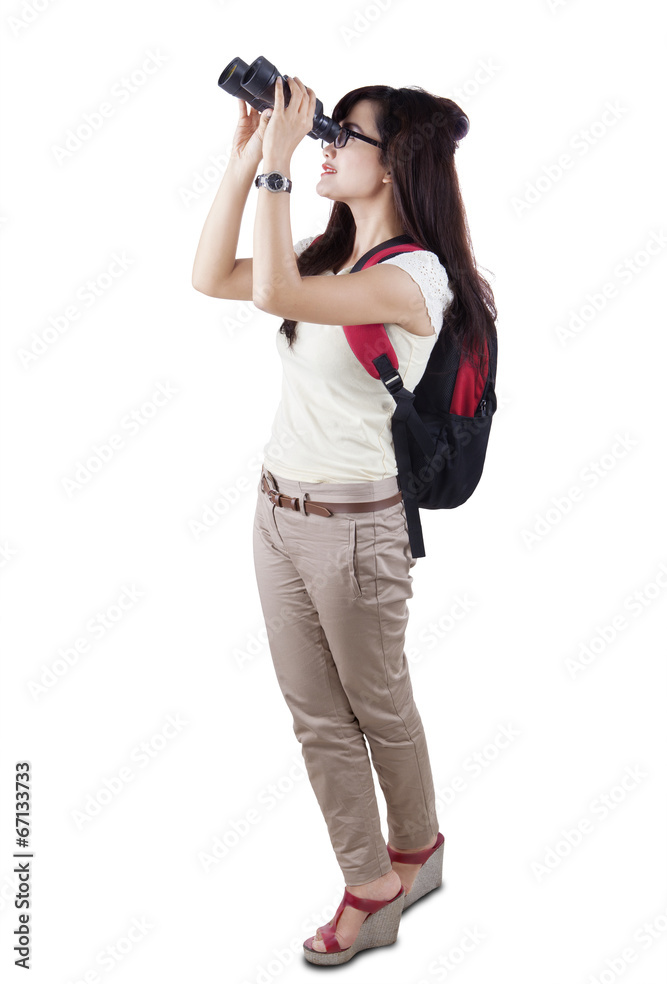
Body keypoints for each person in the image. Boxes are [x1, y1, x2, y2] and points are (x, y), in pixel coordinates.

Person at [192, 74, 497, 966]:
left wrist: (280, 173)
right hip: (276, 514)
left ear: (396, 164)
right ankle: (386, 870)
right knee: (316, 715)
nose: (324, 144)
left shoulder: (413, 278)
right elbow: (213, 276)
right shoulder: (330, 255)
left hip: (354, 528)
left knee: (376, 705)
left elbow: (271, 293)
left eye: (341, 136)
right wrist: (251, 155)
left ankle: (402, 862)